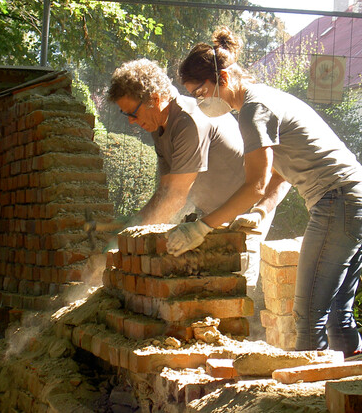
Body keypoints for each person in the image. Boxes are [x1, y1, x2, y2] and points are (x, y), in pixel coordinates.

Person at [167, 27, 362, 357]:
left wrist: (202, 226)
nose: (199, 101)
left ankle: (308, 401)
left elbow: (254, 183)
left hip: (340, 202)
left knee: (309, 316)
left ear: (222, 77)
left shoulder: (255, 110)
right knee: (338, 317)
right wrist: (259, 212)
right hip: (361, 200)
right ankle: (353, 391)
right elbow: (280, 173)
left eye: (200, 91)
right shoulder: (264, 99)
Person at [92, 58, 274, 338]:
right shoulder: (158, 124)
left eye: (132, 113)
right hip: (214, 214)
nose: (131, 122)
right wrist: (134, 222)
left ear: (155, 98)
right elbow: (166, 190)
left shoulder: (189, 119)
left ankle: (240, 354)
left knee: (233, 297)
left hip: (245, 212)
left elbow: (176, 198)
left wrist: (123, 240)